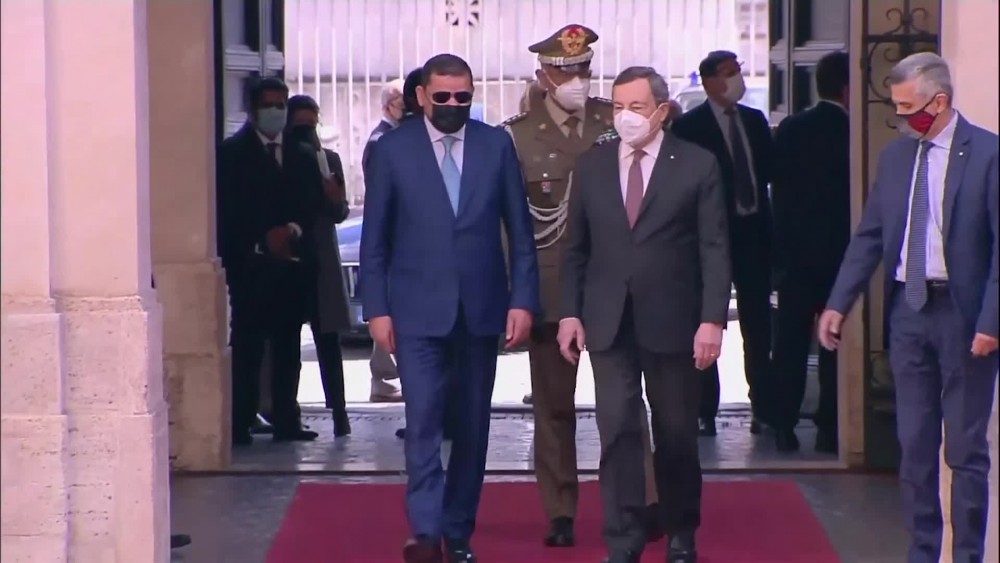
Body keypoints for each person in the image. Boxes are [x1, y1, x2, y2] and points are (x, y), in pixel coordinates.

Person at [817, 52, 998, 563]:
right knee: (914, 447)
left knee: (964, 450)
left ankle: (967, 555)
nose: (899, 117)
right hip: (908, 313)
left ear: (938, 102)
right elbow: (870, 236)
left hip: (965, 317)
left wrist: (991, 322)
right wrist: (838, 303)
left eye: (907, 107)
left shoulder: (988, 154)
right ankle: (922, 553)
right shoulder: (897, 158)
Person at [360, 53, 539, 563]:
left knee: (473, 425)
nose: (453, 105)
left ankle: (458, 530)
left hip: (481, 308)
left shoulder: (495, 145)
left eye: (463, 97)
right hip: (416, 311)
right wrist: (377, 310)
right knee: (423, 421)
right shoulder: (393, 150)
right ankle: (426, 531)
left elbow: (521, 232)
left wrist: (523, 300)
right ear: (422, 96)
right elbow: (375, 239)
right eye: (442, 96)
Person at [559, 66, 731, 563]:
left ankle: (680, 530)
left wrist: (712, 319)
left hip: (674, 319)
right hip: (608, 319)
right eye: (618, 106)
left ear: (662, 110)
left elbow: (714, 248)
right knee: (616, 430)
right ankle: (624, 535)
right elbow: (575, 248)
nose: (625, 116)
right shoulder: (592, 165)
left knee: (676, 432)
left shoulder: (696, 164)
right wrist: (570, 313)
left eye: (636, 107)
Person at [499, 24, 662, 547]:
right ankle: (560, 510)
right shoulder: (517, 135)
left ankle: (642, 501)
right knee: (553, 406)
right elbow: (510, 226)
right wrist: (517, 295)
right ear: (543, 75)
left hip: (615, 282)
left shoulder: (615, 121)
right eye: (565, 71)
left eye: (583, 69)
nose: (577, 79)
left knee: (626, 401)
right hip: (550, 288)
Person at [671, 50, 776, 437]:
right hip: (708, 239)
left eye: (737, 72)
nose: (736, 80)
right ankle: (704, 411)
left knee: (758, 325)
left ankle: (764, 407)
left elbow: (769, 172)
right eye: (728, 73)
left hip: (753, 235)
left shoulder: (754, 121)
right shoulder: (690, 128)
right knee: (706, 321)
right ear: (710, 81)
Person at [217, 77, 321, 445]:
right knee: (248, 347)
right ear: (252, 108)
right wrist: (262, 239)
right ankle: (241, 419)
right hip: (250, 269)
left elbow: (311, 206)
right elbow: (227, 212)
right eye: (269, 105)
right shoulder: (230, 155)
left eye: (281, 104)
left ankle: (286, 418)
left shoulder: (301, 154)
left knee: (288, 348)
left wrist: (291, 230)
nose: (276, 111)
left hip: (293, 268)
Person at [770, 51, 850, 454]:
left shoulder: (791, 128)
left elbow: (777, 189)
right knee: (836, 345)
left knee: (790, 345)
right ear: (848, 89)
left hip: (796, 256)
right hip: (840, 257)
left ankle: (783, 425)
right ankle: (830, 428)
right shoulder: (854, 130)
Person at [285, 94, 353, 437]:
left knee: (328, 340)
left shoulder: (328, 159)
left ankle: (339, 412)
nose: (306, 133)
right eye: (300, 125)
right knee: (285, 343)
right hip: (287, 259)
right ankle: (285, 414)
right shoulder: (279, 160)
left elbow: (339, 212)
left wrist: (334, 197)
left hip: (322, 258)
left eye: (311, 125)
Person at [363, 78, 407, 403]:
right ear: (389, 106)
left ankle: (387, 376)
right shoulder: (382, 141)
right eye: (402, 103)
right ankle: (384, 377)